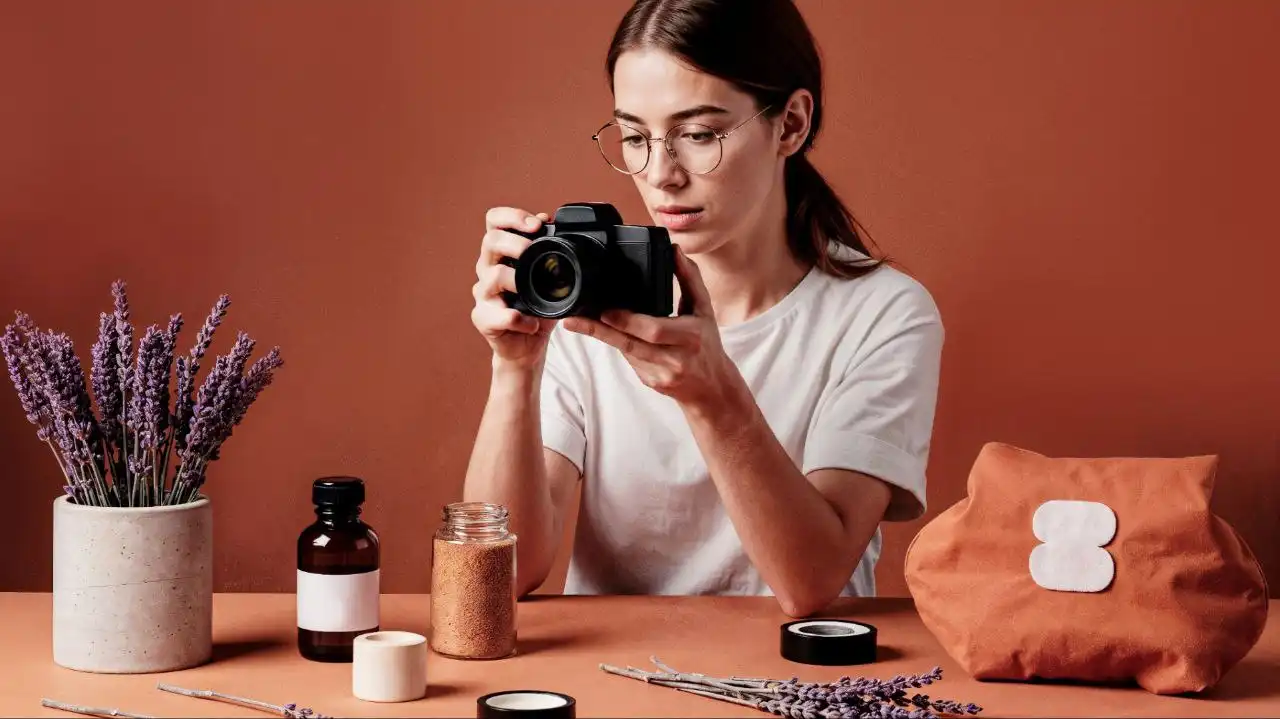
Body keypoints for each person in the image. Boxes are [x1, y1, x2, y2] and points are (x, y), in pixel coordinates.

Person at [462, 0, 944, 618]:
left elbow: (811, 584)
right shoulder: (585, 294)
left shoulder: (883, 314)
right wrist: (514, 368)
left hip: (795, 676)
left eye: (698, 135)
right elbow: (500, 577)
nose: (660, 174)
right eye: (634, 137)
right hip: (614, 675)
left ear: (790, 124)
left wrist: (713, 398)